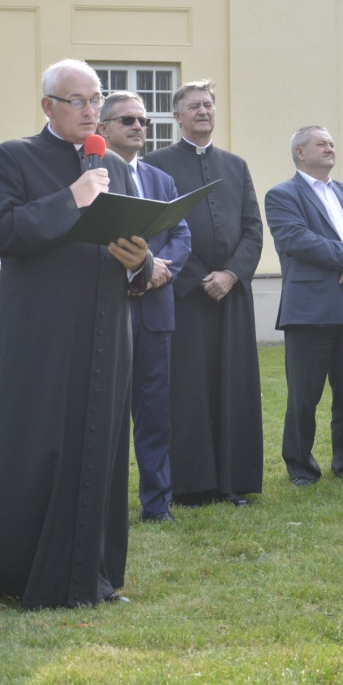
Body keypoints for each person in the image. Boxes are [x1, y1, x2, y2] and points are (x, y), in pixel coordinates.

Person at [0, 59, 153, 608]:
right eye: (79, 100)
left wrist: (141, 263)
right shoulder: (14, 157)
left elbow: (133, 246)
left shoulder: (114, 165)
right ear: (48, 106)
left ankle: (94, 576)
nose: (92, 110)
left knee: (101, 446)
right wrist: (71, 197)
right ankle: (23, 575)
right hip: (42, 335)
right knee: (41, 446)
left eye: (97, 99)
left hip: (106, 331)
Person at [143, 80, 264, 507]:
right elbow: (159, 229)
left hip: (232, 296)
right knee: (188, 389)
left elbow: (253, 229)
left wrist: (231, 274)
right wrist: (198, 277)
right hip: (183, 296)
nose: (203, 111)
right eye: (194, 106)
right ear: (177, 116)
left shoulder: (236, 165)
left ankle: (234, 481)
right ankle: (191, 485)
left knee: (234, 386)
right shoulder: (156, 165)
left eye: (208, 105)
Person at [265, 126, 343, 487]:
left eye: (332, 143)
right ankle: (300, 466)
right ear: (300, 153)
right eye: (321, 144)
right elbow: (296, 239)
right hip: (310, 309)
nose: (330, 148)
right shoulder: (282, 195)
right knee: (304, 394)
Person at [98, 91, 192, 522]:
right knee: (104, 413)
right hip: (107, 310)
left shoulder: (161, 180)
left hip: (155, 312)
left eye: (143, 121)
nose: (139, 126)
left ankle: (157, 504)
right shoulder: (92, 176)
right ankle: (104, 503)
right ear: (103, 128)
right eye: (128, 120)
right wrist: (142, 267)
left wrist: (158, 272)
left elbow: (182, 236)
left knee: (154, 414)